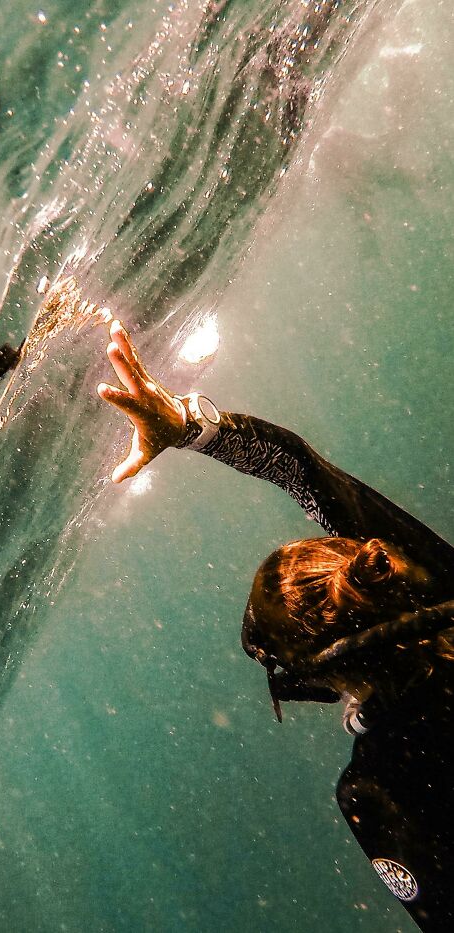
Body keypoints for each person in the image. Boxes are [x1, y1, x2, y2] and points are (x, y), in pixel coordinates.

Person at [97, 319, 453, 932]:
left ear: (324, 671)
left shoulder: (376, 787)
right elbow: (303, 471)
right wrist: (186, 423)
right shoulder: (434, 580)